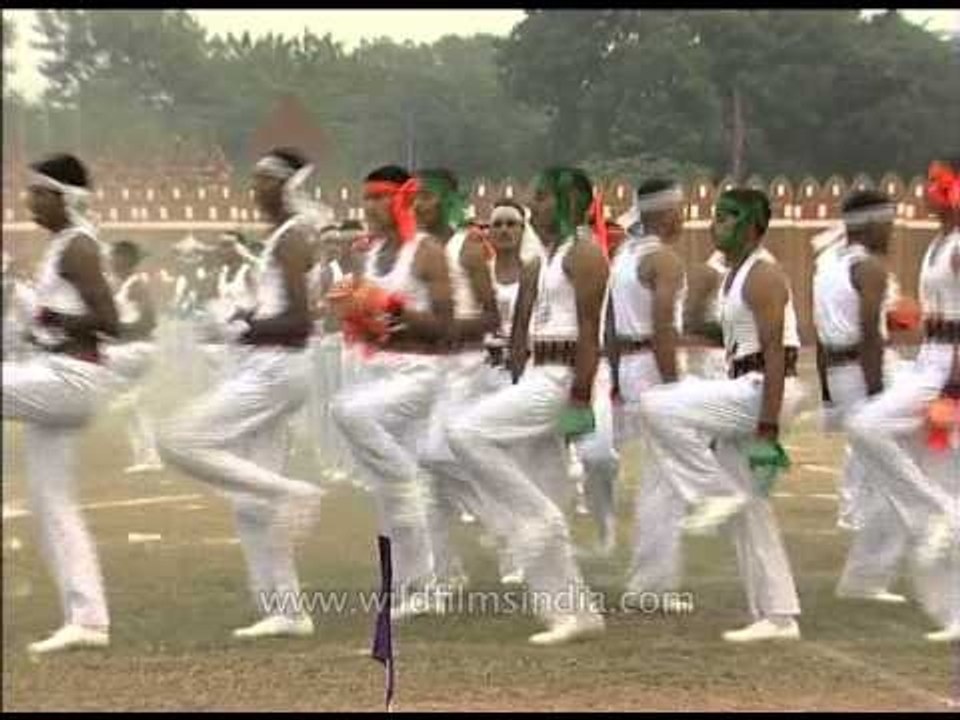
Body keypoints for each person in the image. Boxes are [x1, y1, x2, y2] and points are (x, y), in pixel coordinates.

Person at [158, 147, 325, 640]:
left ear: (290, 186)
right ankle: (287, 609)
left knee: (178, 439)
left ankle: (292, 493)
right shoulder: (283, 238)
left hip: (276, 369)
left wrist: (239, 329)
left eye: (265, 181)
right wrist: (243, 321)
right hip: (272, 365)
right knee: (251, 502)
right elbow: (282, 313)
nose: (254, 189)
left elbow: (298, 320)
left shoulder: (292, 238)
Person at [446, 167, 609, 645]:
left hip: (560, 380)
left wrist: (581, 398)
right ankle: (574, 613)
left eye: (541, 197)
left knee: (466, 433)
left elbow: (590, 332)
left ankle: (532, 521)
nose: (532, 204)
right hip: (537, 372)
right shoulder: (545, 260)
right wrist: (519, 372)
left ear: (573, 203)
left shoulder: (585, 255)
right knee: (546, 490)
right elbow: (522, 330)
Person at [634, 187, 805, 642]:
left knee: (657, 404)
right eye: (715, 216)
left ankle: (709, 491)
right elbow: (732, 332)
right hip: (746, 387)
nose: (716, 224)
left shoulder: (762, 275)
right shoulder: (732, 276)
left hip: (762, 390)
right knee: (750, 506)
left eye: (728, 217)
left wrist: (767, 429)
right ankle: (778, 615)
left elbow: (773, 353)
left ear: (752, 225)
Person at [3, 153, 119, 653]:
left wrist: (49, 318)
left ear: (66, 198)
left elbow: (109, 319)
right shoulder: (60, 248)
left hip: (72, 378)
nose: (29, 200)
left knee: (55, 501)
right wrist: (41, 317)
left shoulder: (78, 247)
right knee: (53, 502)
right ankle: (88, 620)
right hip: (60, 377)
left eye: (39, 192)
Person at [330, 164, 453, 619]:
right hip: (377, 371)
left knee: (348, 413)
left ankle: (409, 482)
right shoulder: (369, 255)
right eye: (366, 198)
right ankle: (416, 586)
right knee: (387, 494)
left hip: (418, 373)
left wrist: (392, 307)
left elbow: (445, 326)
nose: (370, 207)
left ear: (403, 199)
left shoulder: (427, 252)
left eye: (380, 197)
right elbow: (367, 322)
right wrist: (355, 315)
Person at [845, 157, 960, 643]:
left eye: (938, 183)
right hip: (929, 365)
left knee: (869, 426)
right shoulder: (939, 244)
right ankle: (951, 609)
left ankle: (946, 517)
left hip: (945, 375)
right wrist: (917, 318)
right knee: (875, 433)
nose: (927, 189)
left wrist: (953, 395)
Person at [608, 179, 689, 603]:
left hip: (629, 365)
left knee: (660, 478)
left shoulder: (624, 255)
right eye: (678, 209)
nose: (683, 216)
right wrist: (674, 385)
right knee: (665, 481)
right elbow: (662, 327)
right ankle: (651, 584)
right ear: (662, 213)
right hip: (652, 368)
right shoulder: (663, 259)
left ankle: (650, 578)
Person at [102, 240, 164, 474]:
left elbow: (150, 320)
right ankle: (148, 457)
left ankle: (125, 396)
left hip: (138, 349)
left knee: (96, 361)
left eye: (114, 256)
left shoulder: (136, 285)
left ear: (126, 260)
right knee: (137, 412)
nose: (110, 261)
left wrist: (120, 331)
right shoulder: (119, 285)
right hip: (127, 349)